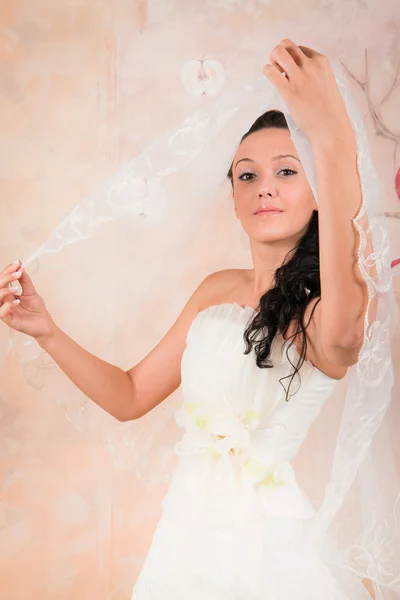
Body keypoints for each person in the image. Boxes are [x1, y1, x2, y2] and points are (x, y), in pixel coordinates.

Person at [0, 42, 399, 599]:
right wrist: (46, 330)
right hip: (181, 548)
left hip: (270, 556)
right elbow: (131, 394)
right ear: (233, 198)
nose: (264, 187)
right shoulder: (216, 290)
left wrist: (331, 137)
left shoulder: (330, 304)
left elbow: (343, 335)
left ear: (316, 194)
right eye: (246, 175)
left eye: (288, 171)